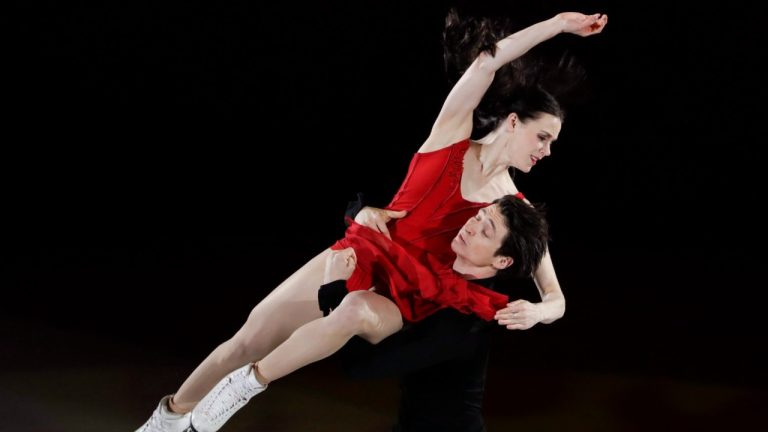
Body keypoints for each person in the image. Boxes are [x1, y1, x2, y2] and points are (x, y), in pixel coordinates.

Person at [135, 10, 607, 432]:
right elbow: (486, 63)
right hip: (358, 255)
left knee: (354, 310)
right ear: (511, 122)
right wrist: (558, 26)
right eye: (542, 136)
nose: (546, 151)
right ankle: (167, 420)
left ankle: (246, 389)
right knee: (245, 341)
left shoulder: (511, 208)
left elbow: (557, 297)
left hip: (402, 300)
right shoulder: (449, 139)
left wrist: (538, 312)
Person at [193, 194, 550, 432]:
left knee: (354, 307)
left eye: (484, 229)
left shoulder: (467, 318)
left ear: (502, 261)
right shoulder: (450, 266)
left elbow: (360, 366)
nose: (471, 225)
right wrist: (361, 210)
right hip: (410, 424)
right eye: (479, 216)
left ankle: (249, 382)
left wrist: (334, 288)